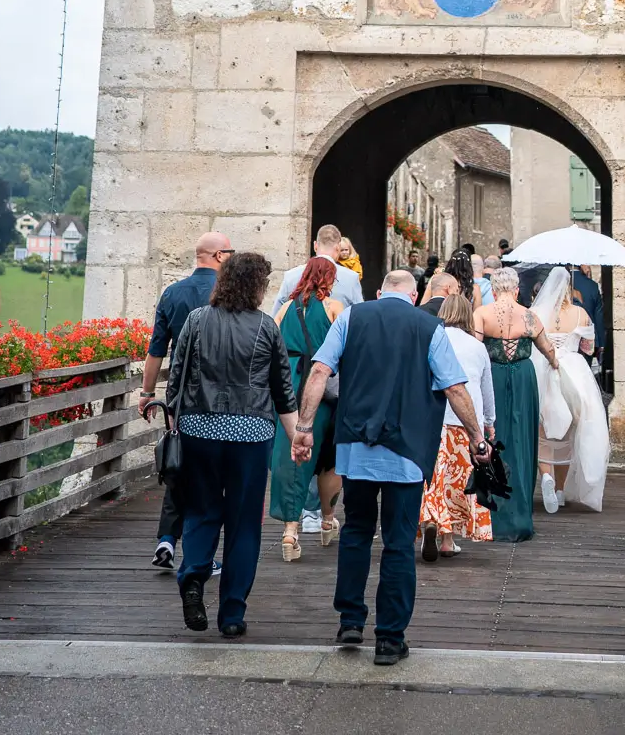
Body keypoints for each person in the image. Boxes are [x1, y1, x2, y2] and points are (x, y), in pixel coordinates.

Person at [292, 268, 488, 666]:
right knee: (398, 543)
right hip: (407, 451)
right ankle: (389, 637)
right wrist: (477, 438)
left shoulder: (350, 317)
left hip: (356, 448)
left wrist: (304, 427)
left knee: (357, 532)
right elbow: (454, 387)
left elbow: (319, 371)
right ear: (415, 296)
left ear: (379, 293)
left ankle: (350, 620)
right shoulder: (428, 327)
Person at [165, 251, 297, 638]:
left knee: (201, 511)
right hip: (250, 435)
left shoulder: (196, 319)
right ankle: (232, 613)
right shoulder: (267, 327)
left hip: (198, 430)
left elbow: (176, 378)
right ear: (257, 286)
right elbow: (283, 390)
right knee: (243, 525)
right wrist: (296, 438)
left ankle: (193, 576)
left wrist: (175, 426)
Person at [138, 229, 233, 570]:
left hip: (180, 396)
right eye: (230, 252)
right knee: (213, 475)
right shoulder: (229, 295)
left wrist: (148, 393)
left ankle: (167, 539)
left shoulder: (172, 294)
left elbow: (156, 351)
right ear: (220, 256)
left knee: (179, 464)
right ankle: (201, 555)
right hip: (221, 396)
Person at [270, 256, 345, 561]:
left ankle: (290, 532)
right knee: (327, 459)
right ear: (327, 278)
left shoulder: (286, 308)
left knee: (292, 457)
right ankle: (327, 521)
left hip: (288, 389)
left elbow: (270, 346)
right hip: (321, 390)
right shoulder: (334, 308)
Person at [475, 262, 557, 542]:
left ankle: (491, 518)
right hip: (523, 379)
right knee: (522, 440)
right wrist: (556, 364)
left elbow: (476, 352)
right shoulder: (529, 316)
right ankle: (520, 517)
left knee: (493, 440)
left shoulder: (481, 314)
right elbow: (548, 349)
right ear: (517, 289)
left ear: (494, 289)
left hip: (493, 378)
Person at [530, 266, 611, 514]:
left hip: (542, 370)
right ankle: (561, 491)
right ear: (569, 289)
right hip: (573, 372)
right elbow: (588, 348)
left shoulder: (534, 314)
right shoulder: (580, 313)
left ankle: (546, 477)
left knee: (543, 428)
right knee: (571, 429)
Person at [420, 294, 495, 561]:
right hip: (464, 422)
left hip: (434, 418)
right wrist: (488, 423)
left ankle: (430, 518)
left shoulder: (432, 340)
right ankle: (447, 541)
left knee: (433, 478)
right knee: (455, 483)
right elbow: (486, 389)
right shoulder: (477, 346)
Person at [274, 224, 363, 309]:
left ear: (315, 246)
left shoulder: (291, 276)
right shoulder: (351, 278)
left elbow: (275, 318)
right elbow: (360, 316)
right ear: (338, 247)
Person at [570, 263, 605, 358]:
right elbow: (598, 315)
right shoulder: (592, 286)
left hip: (565, 338)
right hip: (587, 337)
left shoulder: (560, 283)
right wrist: (600, 343)